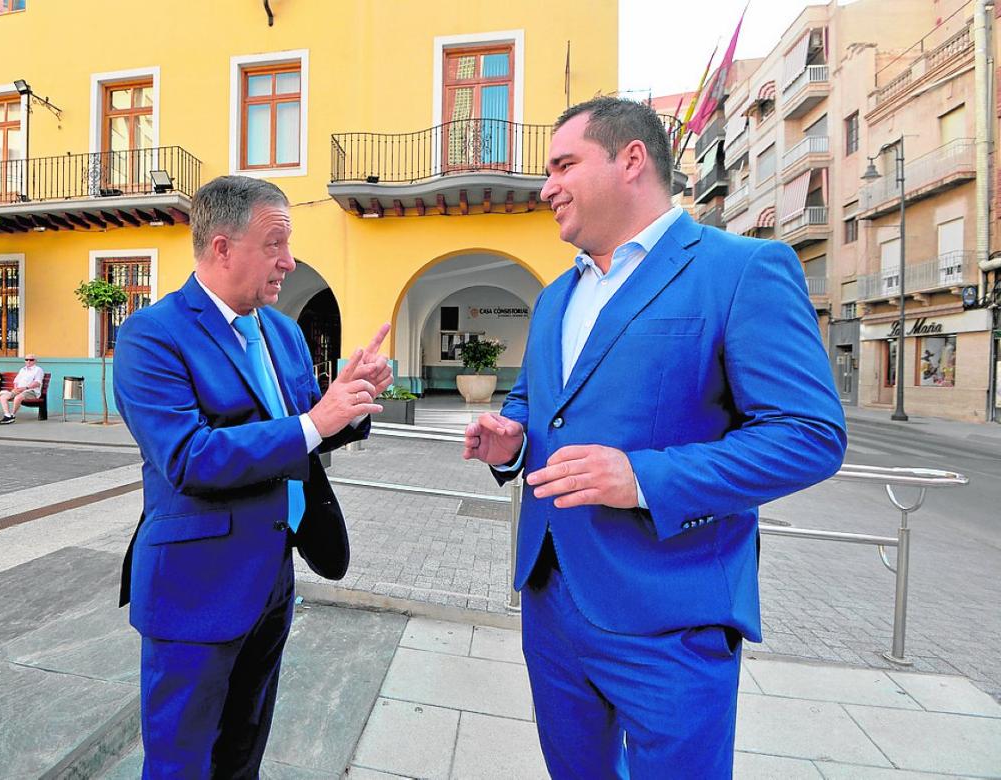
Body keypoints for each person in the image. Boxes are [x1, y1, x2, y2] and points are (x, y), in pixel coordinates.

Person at [462, 97, 846, 778]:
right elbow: (535, 408)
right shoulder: (554, 296)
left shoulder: (742, 271)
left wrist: (641, 478)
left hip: (671, 616)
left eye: (563, 165)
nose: (546, 187)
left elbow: (808, 434)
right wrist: (511, 442)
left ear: (631, 159)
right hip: (552, 603)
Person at [113, 175, 393, 778]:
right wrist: (316, 421)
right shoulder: (151, 336)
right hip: (194, 587)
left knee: (244, 749)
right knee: (181, 760)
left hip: (271, 574)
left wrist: (352, 400)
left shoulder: (282, 331)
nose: (288, 262)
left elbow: (305, 426)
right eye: (275, 245)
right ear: (221, 247)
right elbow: (187, 456)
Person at [0, 354, 43, 425]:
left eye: (31, 360)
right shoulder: (22, 369)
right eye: (26, 359)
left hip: (31, 391)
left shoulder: (38, 370)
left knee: (18, 397)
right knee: (3, 397)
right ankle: (7, 415)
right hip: (19, 390)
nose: (28, 361)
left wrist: (25, 388)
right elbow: (16, 381)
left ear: (35, 361)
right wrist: (16, 388)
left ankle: (12, 415)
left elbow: (37, 383)